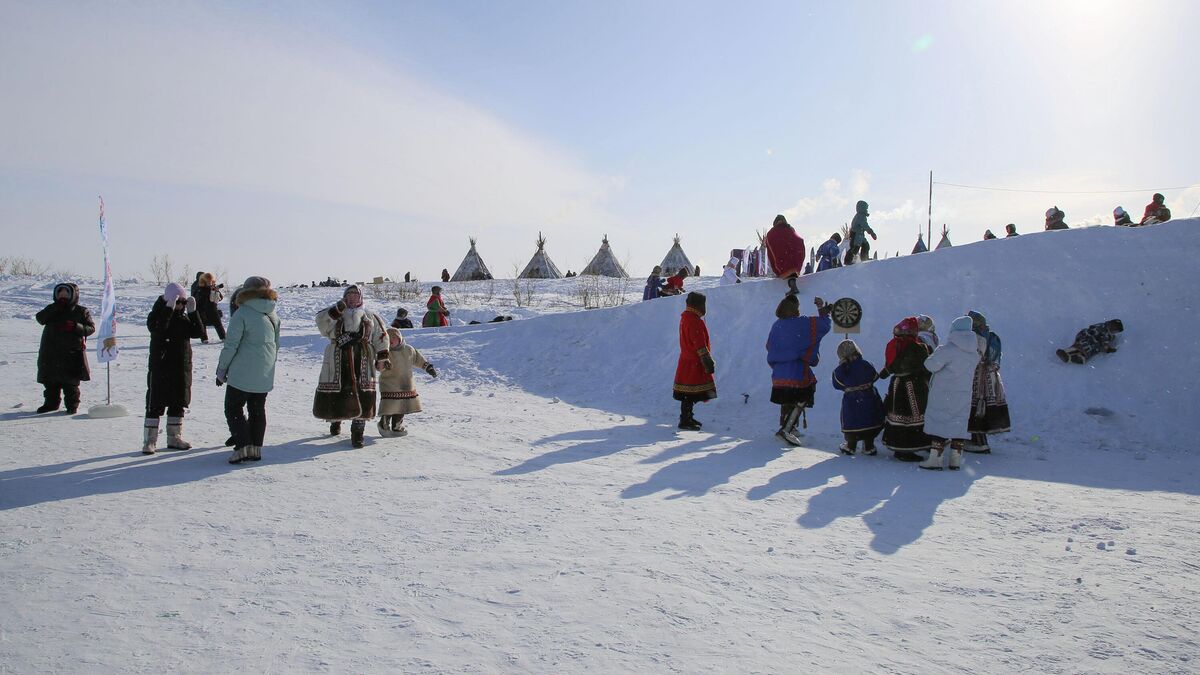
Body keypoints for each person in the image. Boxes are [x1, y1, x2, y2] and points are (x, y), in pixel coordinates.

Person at [313, 285, 390, 448]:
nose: (353, 297)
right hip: (337, 357)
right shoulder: (335, 313)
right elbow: (321, 325)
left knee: (363, 393)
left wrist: (382, 357)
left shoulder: (370, 316)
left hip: (362, 357)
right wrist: (337, 310)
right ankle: (335, 419)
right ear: (344, 296)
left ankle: (358, 431)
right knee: (338, 389)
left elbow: (381, 337)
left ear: (361, 297)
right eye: (349, 294)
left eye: (356, 294)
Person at [216, 276, 280, 464]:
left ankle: (243, 446)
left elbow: (231, 345)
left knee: (233, 407)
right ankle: (255, 448)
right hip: (264, 373)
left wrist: (222, 369)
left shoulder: (242, 313)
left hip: (241, 373)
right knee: (257, 409)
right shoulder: (273, 314)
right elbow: (276, 346)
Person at [142, 282, 205, 454]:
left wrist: (193, 313)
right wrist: (168, 309)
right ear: (169, 300)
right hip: (161, 366)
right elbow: (159, 329)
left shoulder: (183, 318)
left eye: (184, 302)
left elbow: (199, 333)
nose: (181, 306)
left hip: (181, 367)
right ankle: (150, 440)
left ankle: (174, 437)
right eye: (179, 301)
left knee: (178, 401)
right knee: (155, 402)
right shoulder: (156, 316)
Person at [766, 296, 832, 445]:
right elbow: (823, 326)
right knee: (804, 394)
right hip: (796, 371)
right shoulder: (801, 324)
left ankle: (787, 426)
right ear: (795, 307)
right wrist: (823, 311)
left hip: (779, 373)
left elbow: (769, 346)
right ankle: (787, 429)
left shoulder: (777, 325)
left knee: (786, 399)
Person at [919, 316, 983, 470]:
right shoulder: (974, 353)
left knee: (940, 422)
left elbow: (930, 365)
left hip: (943, 392)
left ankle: (936, 459)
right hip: (963, 393)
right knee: (958, 423)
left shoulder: (946, 350)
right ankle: (955, 460)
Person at [34, 283, 95, 414]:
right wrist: (55, 307)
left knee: (70, 383)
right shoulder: (52, 309)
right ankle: (51, 404)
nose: (62, 296)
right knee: (51, 382)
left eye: (66, 293)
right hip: (50, 352)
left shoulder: (81, 311)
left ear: (73, 295)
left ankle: (72, 406)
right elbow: (40, 318)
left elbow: (90, 329)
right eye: (60, 293)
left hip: (71, 352)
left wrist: (76, 327)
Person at [879, 316, 932, 460]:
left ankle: (898, 446)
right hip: (913, 385)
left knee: (898, 415)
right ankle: (908, 448)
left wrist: (882, 373)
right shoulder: (917, 347)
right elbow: (925, 366)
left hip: (897, 384)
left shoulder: (894, 344)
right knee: (913, 416)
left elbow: (890, 366)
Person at [377, 327, 437, 437]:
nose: (391, 341)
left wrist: (428, 368)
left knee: (402, 406)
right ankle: (383, 424)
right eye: (388, 339)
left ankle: (397, 426)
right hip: (389, 384)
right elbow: (378, 365)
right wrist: (381, 364)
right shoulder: (385, 352)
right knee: (390, 406)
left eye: (393, 339)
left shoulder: (409, 350)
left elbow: (419, 360)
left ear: (399, 338)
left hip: (405, 384)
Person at [965, 310, 1011, 453]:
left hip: (979, 377)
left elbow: (976, 357)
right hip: (991, 377)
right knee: (983, 407)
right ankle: (980, 440)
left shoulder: (977, 337)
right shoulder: (990, 336)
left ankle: (979, 442)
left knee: (978, 407)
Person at [831, 339, 884, 455]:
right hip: (869, 397)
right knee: (870, 420)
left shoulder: (840, 370)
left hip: (851, 400)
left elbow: (837, 384)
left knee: (853, 422)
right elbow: (874, 376)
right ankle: (869, 446)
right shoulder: (866, 364)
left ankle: (851, 446)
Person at [673, 292, 716, 430]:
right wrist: (707, 360)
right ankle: (685, 420)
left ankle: (687, 416)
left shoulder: (685, 318)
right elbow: (699, 343)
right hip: (693, 362)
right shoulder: (694, 321)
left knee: (688, 393)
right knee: (689, 394)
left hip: (686, 361)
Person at [765, 214, 806, 294]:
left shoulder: (771, 233)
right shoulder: (791, 230)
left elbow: (771, 251)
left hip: (782, 260)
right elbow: (799, 241)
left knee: (786, 269)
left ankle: (793, 287)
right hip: (795, 259)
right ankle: (793, 283)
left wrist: (775, 268)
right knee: (791, 269)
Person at [1056, 319, 1124, 364]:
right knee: (1080, 347)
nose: (1114, 332)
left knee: (1084, 356)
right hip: (1086, 338)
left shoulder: (1109, 336)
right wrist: (1105, 347)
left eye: (1116, 331)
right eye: (1115, 330)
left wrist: (1107, 348)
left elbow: (1104, 343)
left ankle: (1069, 358)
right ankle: (1066, 352)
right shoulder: (1101, 327)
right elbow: (1093, 331)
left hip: (1093, 346)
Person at [194, 272, 226, 343]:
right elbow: (198, 299)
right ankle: (204, 338)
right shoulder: (200, 289)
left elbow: (220, 298)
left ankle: (223, 337)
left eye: (211, 281)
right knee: (202, 325)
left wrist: (216, 291)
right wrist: (209, 291)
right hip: (202, 310)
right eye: (208, 282)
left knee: (218, 323)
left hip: (212, 309)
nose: (210, 283)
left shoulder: (213, 288)